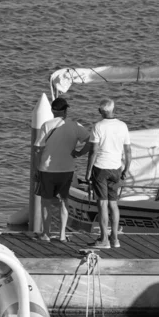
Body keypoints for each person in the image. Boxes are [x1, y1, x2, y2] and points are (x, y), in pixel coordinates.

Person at [75, 98, 131, 249]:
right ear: (113, 109)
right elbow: (127, 150)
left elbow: (93, 151)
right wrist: (126, 169)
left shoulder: (98, 126)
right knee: (113, 204)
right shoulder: (123, 126)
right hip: (116, 168)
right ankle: (115, 238)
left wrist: (87, 171)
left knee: (102, 204)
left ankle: (103, 239)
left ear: (101, 111)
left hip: (101, 168)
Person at [34, 97, 90, 242]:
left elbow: (38, 148)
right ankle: (62, 235)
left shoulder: (46, 125)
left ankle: (46, 233)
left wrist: (36, 169)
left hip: (47, 169)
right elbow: (90, 140)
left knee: (46, 202)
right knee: (63, 201)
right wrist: (79, 153)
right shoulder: (75, 125)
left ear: (52, 111)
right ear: (65, 111)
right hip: (67, 169)